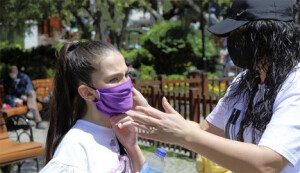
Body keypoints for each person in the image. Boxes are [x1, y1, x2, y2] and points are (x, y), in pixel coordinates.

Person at [126, 0, 300, 172]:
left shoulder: (295, 84)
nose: (232, 39)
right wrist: (150, 113)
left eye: (239, 31)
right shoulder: (243, 82)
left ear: (268, 34)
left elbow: (267, 164)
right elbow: (206, 132)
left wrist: (186, 135)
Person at [41, 41, 144, 172]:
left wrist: (132, 147)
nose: (127, 85)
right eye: (114, 79)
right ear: (88, 93)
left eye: (126, 75)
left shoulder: (121, 131)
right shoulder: (75, 148)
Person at [2, 65, 47, 129]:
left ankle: (31, 111)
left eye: (14, 72)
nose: (13, 74)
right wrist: (19, 95)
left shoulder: (24, 77)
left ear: (17, 72)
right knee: (33, 101)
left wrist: (25, 95)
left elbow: (29, 86)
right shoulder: (7, 80)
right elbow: (9, 92)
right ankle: (38, 121)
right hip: (16, 99)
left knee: (32, 92)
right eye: (11, 73)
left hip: (27, 97)